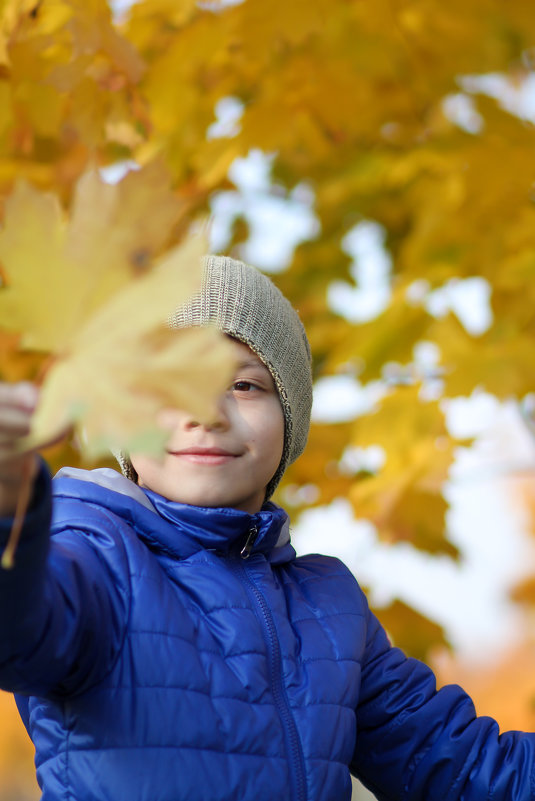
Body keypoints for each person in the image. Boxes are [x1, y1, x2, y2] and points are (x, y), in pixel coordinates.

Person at [0, 255, 533, 801]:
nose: (206, 412)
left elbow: (464, 768)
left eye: (246, 385)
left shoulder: (331, 608)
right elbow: (18, 625)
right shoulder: (93, 558)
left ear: (290, 421)